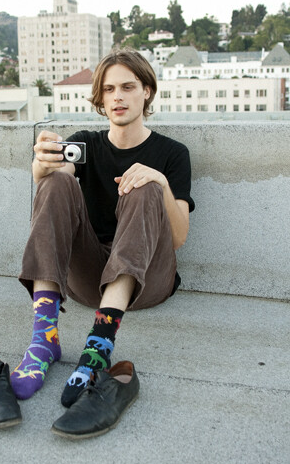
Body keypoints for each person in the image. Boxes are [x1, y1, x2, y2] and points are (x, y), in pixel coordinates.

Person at [10, 49, 195, 408]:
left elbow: (178, 238)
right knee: (56, 182)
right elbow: (53, 192)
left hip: (148, 281)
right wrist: (41, 167)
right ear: (100, 98)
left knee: (143, 185)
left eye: (128, 87)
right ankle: (43, 338)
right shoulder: (86, 144)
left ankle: (99, 346)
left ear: (147, 91)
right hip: (90, 279)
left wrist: (160, 183)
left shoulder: (173, 154)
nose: (118, 97)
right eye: (109, 89)